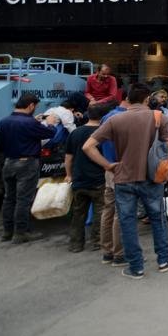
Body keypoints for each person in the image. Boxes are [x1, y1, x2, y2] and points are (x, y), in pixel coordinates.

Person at [83, 83, 168, 279]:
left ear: (128, 98)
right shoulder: (159, 117)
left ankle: (136, 267)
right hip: (152, 177)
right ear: (147, 99)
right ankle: (164, 260)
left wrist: (108, 165)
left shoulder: (115, 120)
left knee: (127, 222)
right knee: (158, 219)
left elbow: (88, 146)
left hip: (123, 177)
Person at [0, 94, 58, 244]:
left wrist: (35, 121)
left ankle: (7, 232)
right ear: (31, 105)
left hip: (9, 162)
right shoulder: (29, 123)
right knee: (23, 200)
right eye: (35, 107)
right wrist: (50, 123)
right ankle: (20, 233)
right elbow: (50, 133)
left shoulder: (4, 121)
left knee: (9, 199)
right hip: (27, 163)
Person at [65, 104, 106, 252]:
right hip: (98, 179)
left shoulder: (75, 133)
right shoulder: (103, 133)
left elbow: (68, 158)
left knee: (78, 213)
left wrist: (69, 175)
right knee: (100, 212)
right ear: (102, 117)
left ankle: (76, 244)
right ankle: (97, 241)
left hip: (79, 179)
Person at [98, 98, 128, 265]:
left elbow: (94, 143)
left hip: (108, 168)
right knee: (121, 212)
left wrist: (106, 164)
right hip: (121, 168)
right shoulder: (125, 118)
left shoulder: (107, 117)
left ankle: (107, 252)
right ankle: (120, 254)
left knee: (108, 210)